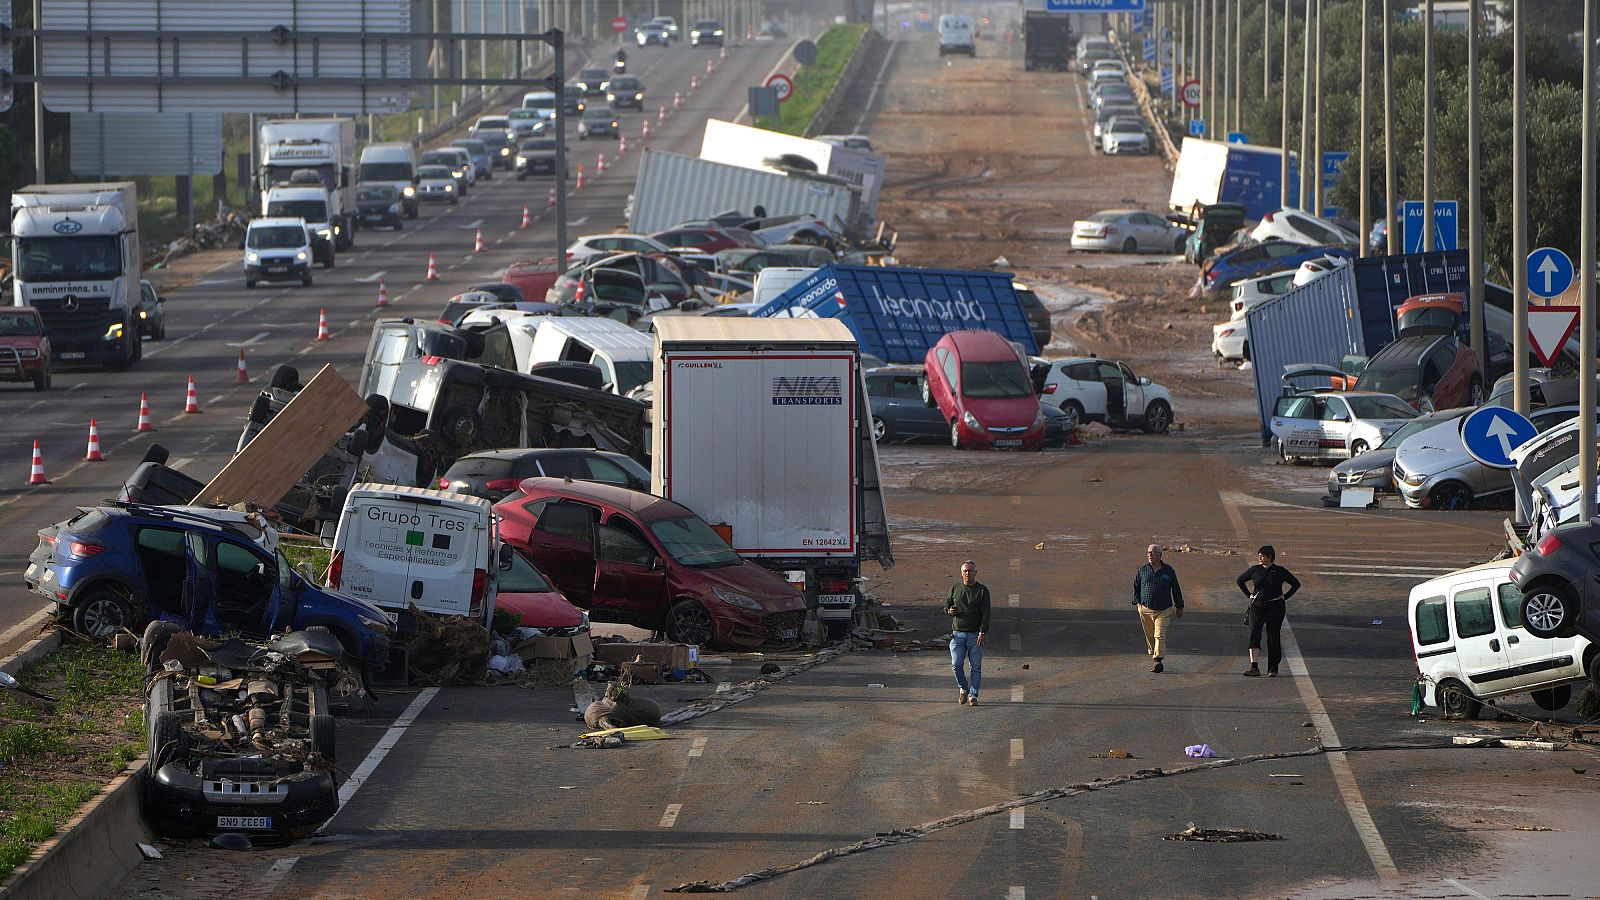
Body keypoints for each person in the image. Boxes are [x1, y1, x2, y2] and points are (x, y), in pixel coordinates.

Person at [1236, 545, 1301, 677]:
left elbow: (1295, 583)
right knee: (1254, 634)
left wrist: (1285, 597)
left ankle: (1273, 668)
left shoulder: (1279, 571)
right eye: (1259, 555)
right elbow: (1240, 580)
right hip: (1257, 606)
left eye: (1262, 555)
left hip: (1275, 607)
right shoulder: (1255, 570)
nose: (1260, 558)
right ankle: (1254, 667)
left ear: (1270, 557)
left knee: (1273, 636)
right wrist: (1249, 595)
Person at [1133, 544, 1183, 673]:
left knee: (1159, 635)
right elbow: (1136, 587)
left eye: (1153, 552)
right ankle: (1153, 652)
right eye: (1148, 552)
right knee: (1150, 635)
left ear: (1160, 555)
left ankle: (1158, 660)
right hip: (1145, 609)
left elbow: (1176, 589)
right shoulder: (1142, 570)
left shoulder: (1168, 571)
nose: (1150, 554)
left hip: (1164, 610)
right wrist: (1138, 604)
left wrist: (1179, 606)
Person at [946, 560, 990, 705]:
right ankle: (963, 688)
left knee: (975, 667)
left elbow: (986, 613)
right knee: (956, 664)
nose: (968, 573)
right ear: (961, 573)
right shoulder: (955, 588)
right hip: (958, 634)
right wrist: (949, 611)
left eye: (970, 571)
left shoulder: (982, 590)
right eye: (965, 571)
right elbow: (947, 605)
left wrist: (982, 632)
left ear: (975, 573)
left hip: (975, 635)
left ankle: (973, 695)